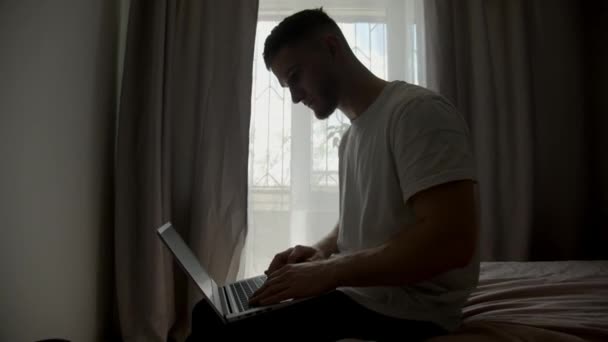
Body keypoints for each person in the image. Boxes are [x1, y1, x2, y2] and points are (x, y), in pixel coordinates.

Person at [187, 7, 480, 342]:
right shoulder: (351, 137)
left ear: (331, 46)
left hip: (408, 310)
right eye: (287, 86)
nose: (295, 97)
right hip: (364, 294)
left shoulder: (416, 113)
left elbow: (452, 240)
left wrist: (330, 271)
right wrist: (319, 252)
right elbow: (360, 222)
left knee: (211, 322)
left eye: (295, 76)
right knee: (212, 310)